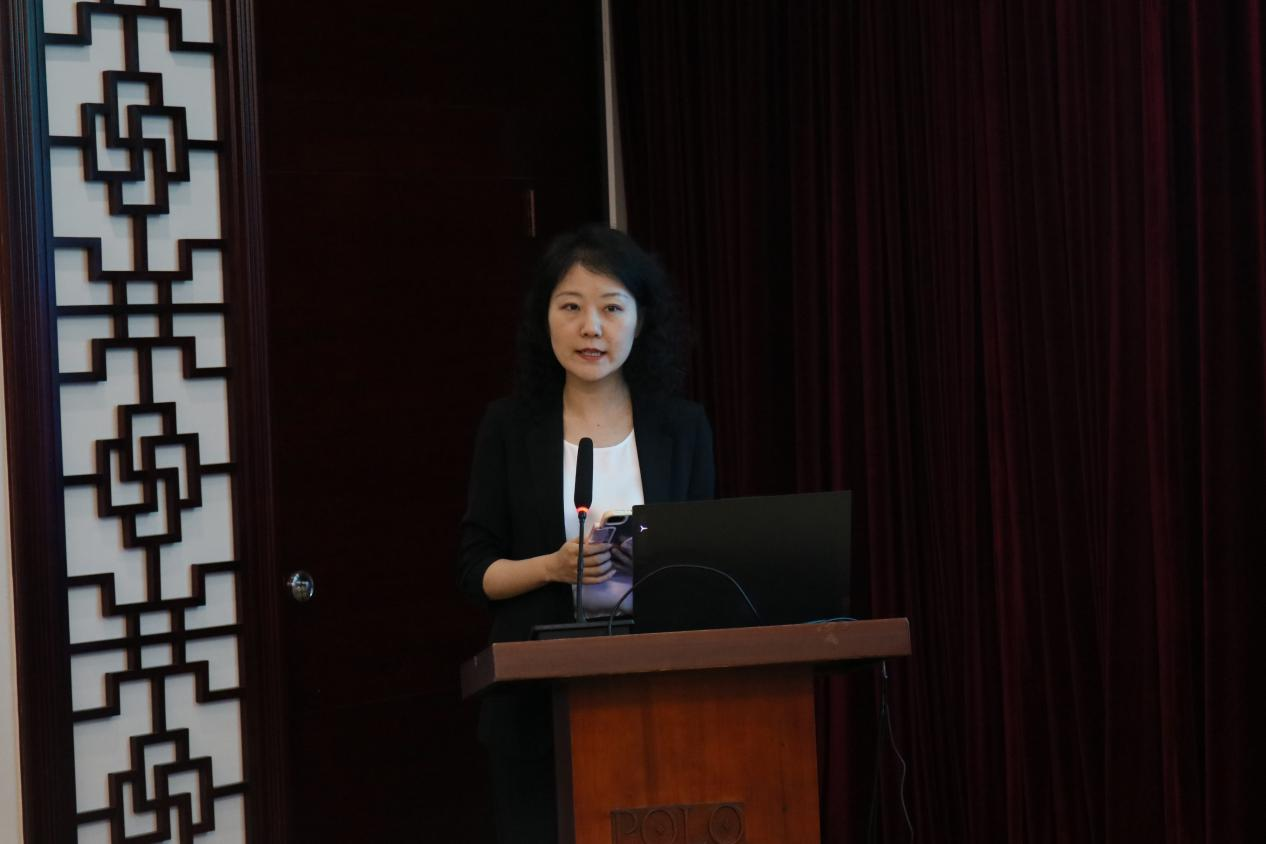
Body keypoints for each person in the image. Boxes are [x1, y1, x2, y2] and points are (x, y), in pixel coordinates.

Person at [457, 224, 715, 843]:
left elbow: (705, 562)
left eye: (611, 308)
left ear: (640, 321)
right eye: (570, 307)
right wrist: (551, 567)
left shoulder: (682, 428)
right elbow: (474, 570)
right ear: (544, 319)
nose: (590, 328)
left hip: (658, 693)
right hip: (535, 711)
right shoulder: (509, 428)